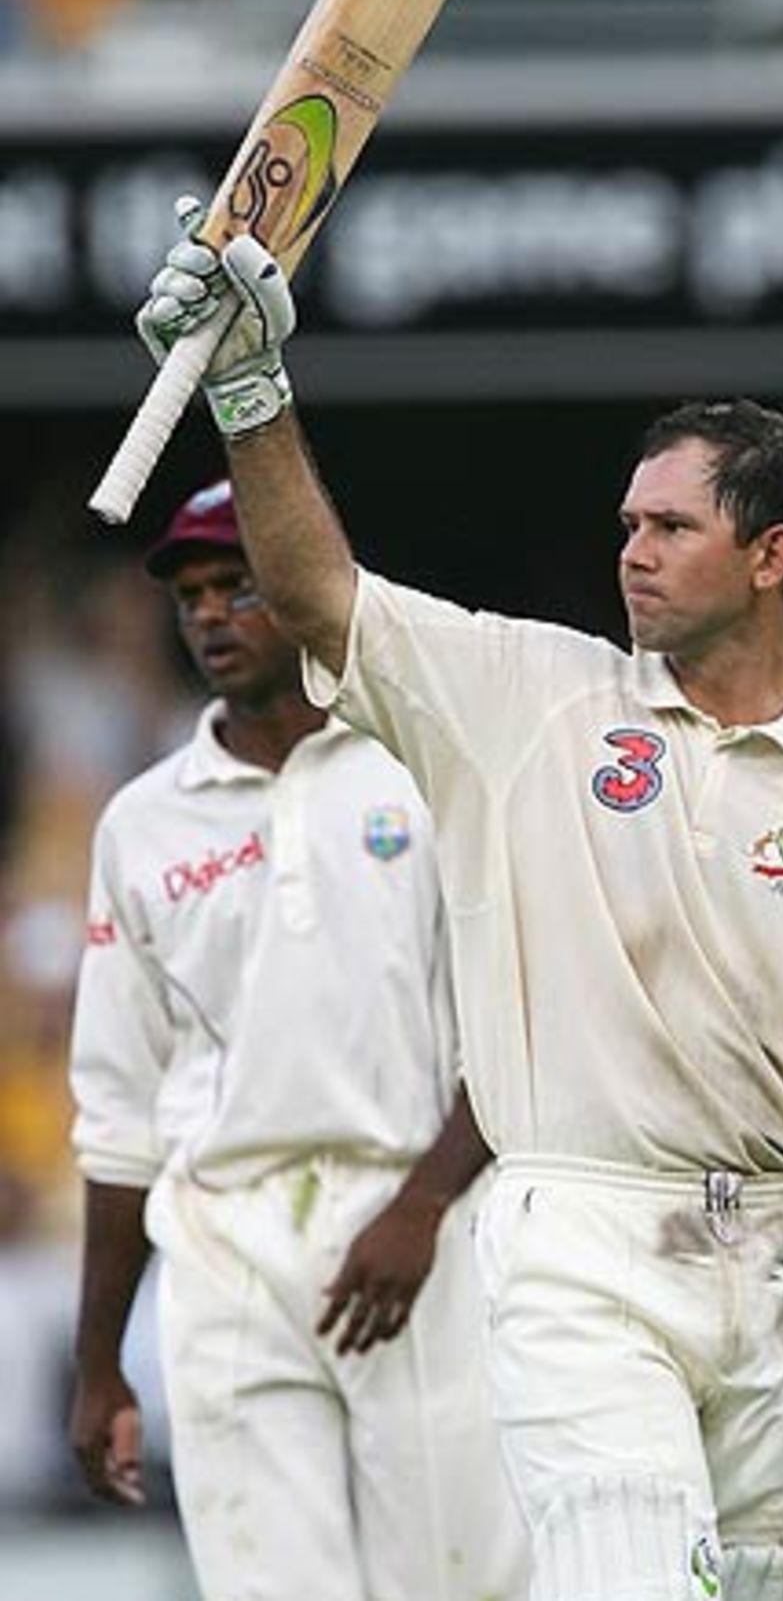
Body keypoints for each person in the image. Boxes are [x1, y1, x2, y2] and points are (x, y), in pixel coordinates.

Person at [128, 208, 783, 1601]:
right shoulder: (526, 697)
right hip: (582, 1232)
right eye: (628, 521)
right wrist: (250, 392)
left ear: (770, 554)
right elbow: (318, 590)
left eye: (673, 525)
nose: (631, 548)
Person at [67, 476, 528, 1601]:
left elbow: (515, 1025)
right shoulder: (143, 820)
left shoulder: (423, 770)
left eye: (240, 587)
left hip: (415, 1234)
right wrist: (97, 1366)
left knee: (460, 1585)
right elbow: (120, 1108)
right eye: (191, 595)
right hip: (226, 1245)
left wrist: (421, 1204)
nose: (211, 616)